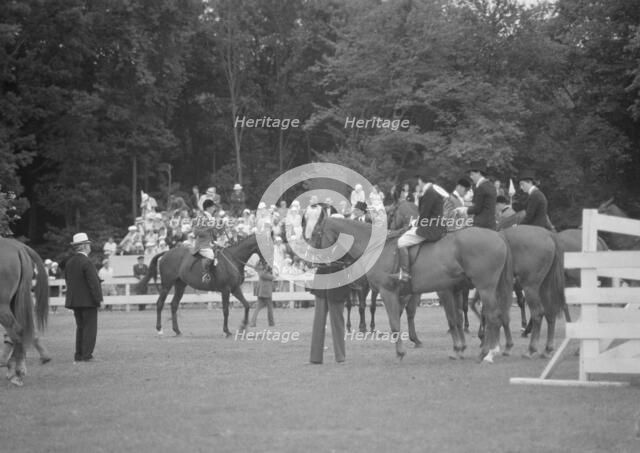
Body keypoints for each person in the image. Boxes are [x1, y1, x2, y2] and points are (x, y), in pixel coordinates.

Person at [392, 178, 447, 282]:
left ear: (422, 181)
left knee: (401, 242)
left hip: (430, 228)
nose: (418, 186)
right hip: (437, 225)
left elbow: (424, 215)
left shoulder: (429, 193)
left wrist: (415, 223)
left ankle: (405, 273)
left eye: (418, 183)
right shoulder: (433, 190)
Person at [65, 232, 103, 362]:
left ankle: (79, 354)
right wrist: (99, 299)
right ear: (83, 246)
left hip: (75, 301)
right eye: (88, 244)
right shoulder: (87, 262)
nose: (89, 246)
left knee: (80, 327)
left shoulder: (70, 262)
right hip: (88, 301)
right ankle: (87, 355)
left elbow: (69, 281)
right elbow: (93, 283)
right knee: (90, 328)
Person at [309, 259, 351, 364]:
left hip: (337, 281)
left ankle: (340, 357)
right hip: (322, 281)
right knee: (318, 322)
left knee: (337, 322)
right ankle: (315, 358)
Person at [455, 164, 496, 230]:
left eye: (472, 174)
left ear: (478, 173)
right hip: (491, 224)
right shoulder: (491, 185)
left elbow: (477, 208)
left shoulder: (481, 187)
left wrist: (464, 210)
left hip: (481, 224)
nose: (471, 177)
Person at [192, 199, 219, 283]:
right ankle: (205, 274)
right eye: (213, 206)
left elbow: (214, 233)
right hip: (202, 244)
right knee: (210, 255)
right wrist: (209, 228)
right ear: (208, 208)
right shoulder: (201, 217)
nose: (214, 208)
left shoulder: (212, 218)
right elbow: (196, 232)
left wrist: (218, 229)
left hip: (211, 243)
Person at [249, 261, 276, 328]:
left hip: (261, 292)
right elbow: (271, 277)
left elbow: (256, 267)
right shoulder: (263, 271)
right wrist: (269, 271)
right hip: (266, 292)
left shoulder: (260, 269)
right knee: (269, 308)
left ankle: (253, 323)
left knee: (258, 308)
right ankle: (271, 323)